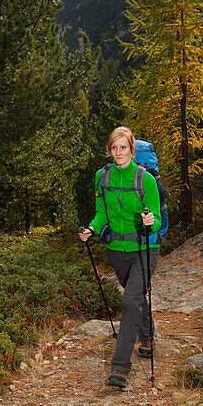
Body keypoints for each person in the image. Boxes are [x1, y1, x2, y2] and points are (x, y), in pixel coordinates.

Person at [79, 126, 160, 389]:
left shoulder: (145, 180)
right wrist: (92, 228)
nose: (118, 152)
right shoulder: (102, 177)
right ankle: (147, 334)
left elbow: (156, 220)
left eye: (123, 147)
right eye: (114, 147)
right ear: (109, 150)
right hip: (117, 251)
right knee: (135, 297)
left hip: (145, 250)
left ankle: (120, 367)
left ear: (132, 150)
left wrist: (150, 220)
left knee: (129, 301)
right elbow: (101, 212)